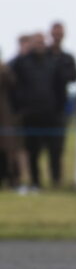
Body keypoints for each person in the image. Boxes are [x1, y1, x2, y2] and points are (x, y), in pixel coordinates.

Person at [9, 33, 62, 190]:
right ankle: (35, 182)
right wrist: (19, 106)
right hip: (30, 114)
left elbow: (58, 87)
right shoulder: (22, 62)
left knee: (54, 150)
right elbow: (13, 84)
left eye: (42, 42)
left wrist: (57, 107)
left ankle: (55, 182)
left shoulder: (52, 62)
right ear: (32, 44)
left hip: (50, 114)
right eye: (36, 42)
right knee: (33, 151)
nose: (40, 45)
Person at [48, 21, 76, 186]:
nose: (57, 36)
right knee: (35, 147)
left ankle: (56, 180)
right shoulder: (42, 55)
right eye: (55, 32)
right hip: (41, 109)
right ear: (51, 34)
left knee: (57, 148)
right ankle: (34, 180)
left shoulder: (68, 58)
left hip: (60, 109)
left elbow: (74, 76)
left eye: (60, 33)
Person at [0, 49, 21, 189]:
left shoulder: (5, 70)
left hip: (4, 115)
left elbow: (14, 84)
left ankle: (12, 179)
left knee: (8, 149)